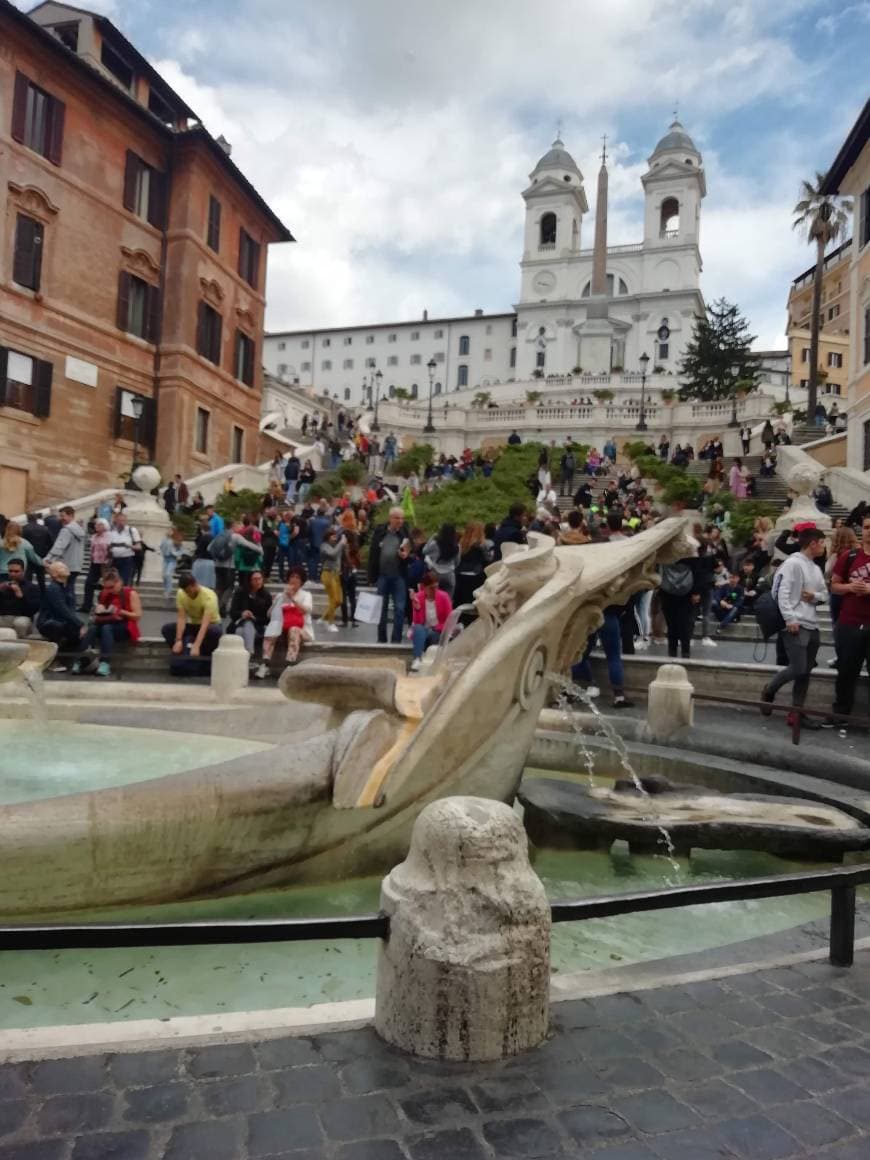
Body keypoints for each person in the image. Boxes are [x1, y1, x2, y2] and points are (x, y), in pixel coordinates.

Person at [760, 526, 827, 729]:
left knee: (806, 671)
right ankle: (769, 690)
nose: (824, 547)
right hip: (795, 623)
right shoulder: (792, 564)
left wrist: (814, 596)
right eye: (823, 543)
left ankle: (796, 713)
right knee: (798, 667)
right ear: (813, 543)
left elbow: (824, 594)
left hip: (811, 623)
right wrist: (789, 619)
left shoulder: (815, 568)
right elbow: (780, 591)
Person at [830, 514, 870, 724]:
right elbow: (834, 585)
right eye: (866, 527)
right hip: (849, 622)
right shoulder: (849, 556)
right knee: (846, 671)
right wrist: (850, 587)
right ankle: (840, 716)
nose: (869, 531)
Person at [72, 568, 142, 677]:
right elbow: (95, 616)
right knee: (93, 629)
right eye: (106, 587)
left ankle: (105, 663)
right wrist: (94, 616)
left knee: (106, 628)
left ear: (119, 582)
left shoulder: (130, 593)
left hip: (124, 626)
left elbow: (137, 616)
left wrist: (121, 611)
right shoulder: (105, 593)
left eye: (111, 587)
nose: (109, 590)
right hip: (106, 623)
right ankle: (79, 661)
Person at [162, 572, 222, 673]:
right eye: (185, 591)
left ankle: (200, 656)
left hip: (210, 625)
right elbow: (181, 618)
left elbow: (205, 624)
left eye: (188, 591)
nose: (187, 594)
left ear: (194, 585)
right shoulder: (181, 594)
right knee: (167, 629)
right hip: (193, 625)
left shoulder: (209, 596)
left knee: (214, 631)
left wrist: (197, 645)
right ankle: (181, 653)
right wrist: (178, 640)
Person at [368, 507, 410, 644]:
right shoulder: (380, 532)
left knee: (399, 609)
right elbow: (373, 553)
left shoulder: (404, 532)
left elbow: (411, 549)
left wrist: (406, 555)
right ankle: (381, 639)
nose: (400, 521)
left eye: (402, 518)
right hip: (383, 576)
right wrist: (371, 576)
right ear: (390, 518)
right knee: (381, 609)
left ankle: (396, 640)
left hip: (399, 576)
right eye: (397, 518)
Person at [260, 567, 313, 675]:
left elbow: (306, 610)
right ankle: (265, 664)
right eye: (292, 576)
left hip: (302, 630)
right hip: (282, 628)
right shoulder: (281, 595)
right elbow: (269, 615)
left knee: (293, 630)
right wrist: (279, 600)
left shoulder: (306, 595)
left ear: (301, 581)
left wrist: (292, 598)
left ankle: (289, 664)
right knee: (272, 628)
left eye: (297, 577)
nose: (294, 579)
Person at [36, 562, 86, 671]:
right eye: (62, 567)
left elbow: (71, 608)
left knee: (78, 633)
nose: (66, 567)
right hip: (48, 622)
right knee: (58, 627)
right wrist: (80, 624)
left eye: (65, 566)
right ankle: (52, 661)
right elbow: (61, 609)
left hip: (63, 621)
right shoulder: (53, 588)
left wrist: (78, 625)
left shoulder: (67, 586)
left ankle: (77, 661)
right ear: (54, 574)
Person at [409, 570, 453, 672]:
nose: (434, 590)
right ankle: (417, 659)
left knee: (433, 636)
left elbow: (449, 620)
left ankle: (428, 659)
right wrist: (417, 608)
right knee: (419, 629)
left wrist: (436, 628)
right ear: (424, 588)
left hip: (439, 631)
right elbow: (417, 622)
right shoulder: (418, 597)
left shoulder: (444, 597)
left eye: (436, 587)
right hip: (424, 631)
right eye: (431, 588)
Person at [658, 555, 700, 659]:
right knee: (685, 623)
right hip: (687, 592)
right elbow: (698, 569)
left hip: (668, 591)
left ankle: (672, 651)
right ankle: (685, 651)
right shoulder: (690, 551)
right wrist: (696, 591)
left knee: (672, 624)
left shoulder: (665, 551)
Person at [228, 569, 272, 660]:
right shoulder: (240, 593)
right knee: (241, 629)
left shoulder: (266, 595)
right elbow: (232, 613)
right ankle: (249, 655)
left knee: (245, 626)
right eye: (255, 579)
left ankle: (244, 657)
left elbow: (267, 619)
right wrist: (242, 614)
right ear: (250, 581)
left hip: (258, 627)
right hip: (239, 623)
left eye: (259, 579)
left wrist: (254, 618)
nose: (258, 581)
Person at [44, 507, 85, 599]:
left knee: (62, 591)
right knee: (70, 590)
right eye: (60, 516)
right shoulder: (79, 530)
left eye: (63, 516)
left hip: (65, 566)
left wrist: (48, 559)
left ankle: (65, 611)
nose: (60, 518)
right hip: (75, 565)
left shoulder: (66, 530)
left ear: (71, 515)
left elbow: (59, 547)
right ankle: (70, 610)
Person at [0, 559, 40, 638]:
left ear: (23, 571)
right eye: (10, 571)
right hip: (3, 617)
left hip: (22, 617)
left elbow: (32, 611)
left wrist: (20, 595)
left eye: (16, 571)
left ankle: (20, 646)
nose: (13, 574)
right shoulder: (3, 586)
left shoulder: (32, 587)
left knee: (20, 624)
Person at [80, 518, 113, 613]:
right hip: (94, 563)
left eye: (98, 525)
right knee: (88, 583)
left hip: (105, 564)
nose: (95, 526)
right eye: (95, 525)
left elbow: (111, 549)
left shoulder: (110, 536)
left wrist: (109, 560)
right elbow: (92, 550)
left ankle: (107, 605)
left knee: (107, 585)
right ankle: (87, 605)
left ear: (104, 526)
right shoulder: (94, 537)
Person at [424, 523, 460, 596]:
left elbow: (424, 551)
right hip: (449, 574)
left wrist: (431, 538)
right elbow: (457, 561)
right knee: (448, 599)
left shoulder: (435, 544)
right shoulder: (456, 545)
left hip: (436, 573)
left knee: (435, 597)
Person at [339, 510, 361, 627]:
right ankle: (353, 620)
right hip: (353, 567)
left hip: (343, 567)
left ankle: (344, 620)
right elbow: (356, 549)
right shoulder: (355, 533)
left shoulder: (342, 533)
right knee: (352, 595)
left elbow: (340, 550)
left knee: (343, 595)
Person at [318, 527, 343, 631]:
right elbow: (332, 555)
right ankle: (330, 623)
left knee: (339, 600)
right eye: (333, 536)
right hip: (327, 573)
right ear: (328, 537)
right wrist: (341, 544)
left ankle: (323, 618)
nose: (335, 538)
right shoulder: (324, 546)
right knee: (332, 599)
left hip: (336, 574)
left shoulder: (336, 546)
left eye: (336, 536)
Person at [108, 512, 141, 586]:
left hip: (126, 560)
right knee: (113, 582)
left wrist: (128, 546)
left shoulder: (131, 530)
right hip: (114, 560)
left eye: (123, 520)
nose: (121, 523)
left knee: (123, 582)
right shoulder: (112, 531)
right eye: (119, 520)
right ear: (116, 521)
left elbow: (139, 547)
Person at [159, 527, 185, 598]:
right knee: (164, 575)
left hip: (172, 559)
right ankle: (165, 589)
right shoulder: (164, 540)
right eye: (168, 530)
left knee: (168, 574)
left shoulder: (176, 540)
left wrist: (176, 553)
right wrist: (161, 552)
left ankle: (168, 591)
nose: (168, 532)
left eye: (170, 531)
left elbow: (181, 550)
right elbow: (161, 547)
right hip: (165, 559)